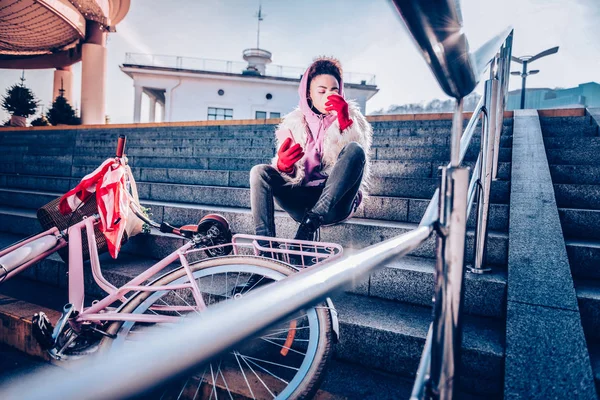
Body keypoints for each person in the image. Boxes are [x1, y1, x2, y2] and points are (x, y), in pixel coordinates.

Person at [250, 56, 373, 251]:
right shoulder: (293, 123)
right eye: (322, 91)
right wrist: (283, 166)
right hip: (301, 201)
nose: (328, 95)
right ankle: (266, 249)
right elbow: (287, 172)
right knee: (259, 171)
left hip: (336, 203)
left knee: (354, 149)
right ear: (309, 94)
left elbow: (356, 160)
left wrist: (345, 122)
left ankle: (310, 225)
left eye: (334, 90)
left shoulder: (351, 118)